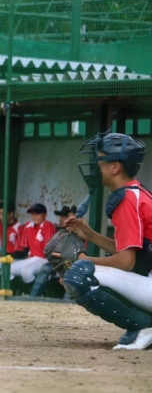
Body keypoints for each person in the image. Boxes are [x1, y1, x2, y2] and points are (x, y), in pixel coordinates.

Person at [62, 131, 152, 350]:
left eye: (100, 160)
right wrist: (91, 235)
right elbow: (131, 253)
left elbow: (126, 262)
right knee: (81, 269)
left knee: (79, 274)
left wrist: (84, 260)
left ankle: (144, 326)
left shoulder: (127, 199)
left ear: (115, 167)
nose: (95, 166)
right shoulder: (135, 193)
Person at [10, 203, 55, 293]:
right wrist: (27, 257)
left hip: (45, 259)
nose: (34, 217)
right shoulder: (28, 225)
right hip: (33, 258)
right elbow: (25, 246)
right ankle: (22, 292)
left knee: (26, 271)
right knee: (8, 269)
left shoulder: (47, 225)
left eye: (37, 214)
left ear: (45, 215)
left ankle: (35, 295)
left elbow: (49, 249)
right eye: (32, 214)